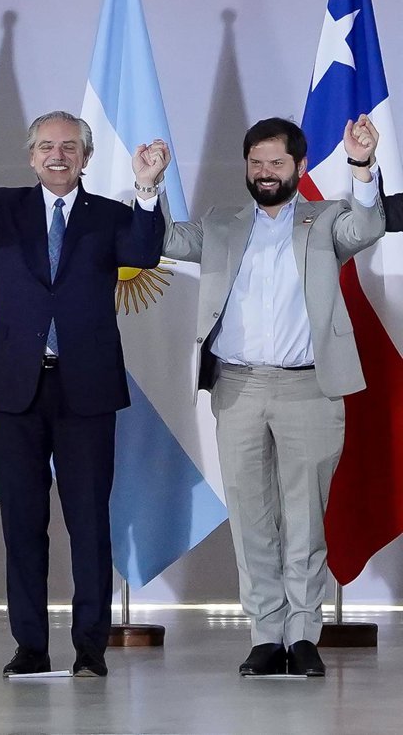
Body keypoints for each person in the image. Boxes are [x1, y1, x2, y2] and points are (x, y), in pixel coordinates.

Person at [0, 112, 167, 678]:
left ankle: (90, 647)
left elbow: (144, 251)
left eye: (69, 147)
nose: (57, 155)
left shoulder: (110, 214)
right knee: (22, 523)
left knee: (88, 522)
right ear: (31, 155)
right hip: (15, 386)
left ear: (85, 158)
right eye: (46, 146)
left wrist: (145, 188)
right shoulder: (4, 207)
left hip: (85, 387)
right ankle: (31, 646)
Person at [159, 116, 384, 677]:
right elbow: (163, 240)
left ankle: (303, 635)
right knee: (250, 516)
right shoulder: (220, 223)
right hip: (238, 387)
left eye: (276, 163)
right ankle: (265, 636)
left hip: (310, 387)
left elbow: (367, 225)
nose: (264, 172)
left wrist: (361, 164)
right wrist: (148, 185)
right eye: (256, 163)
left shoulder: (325, 220)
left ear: (298, 167)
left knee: (305, 518)